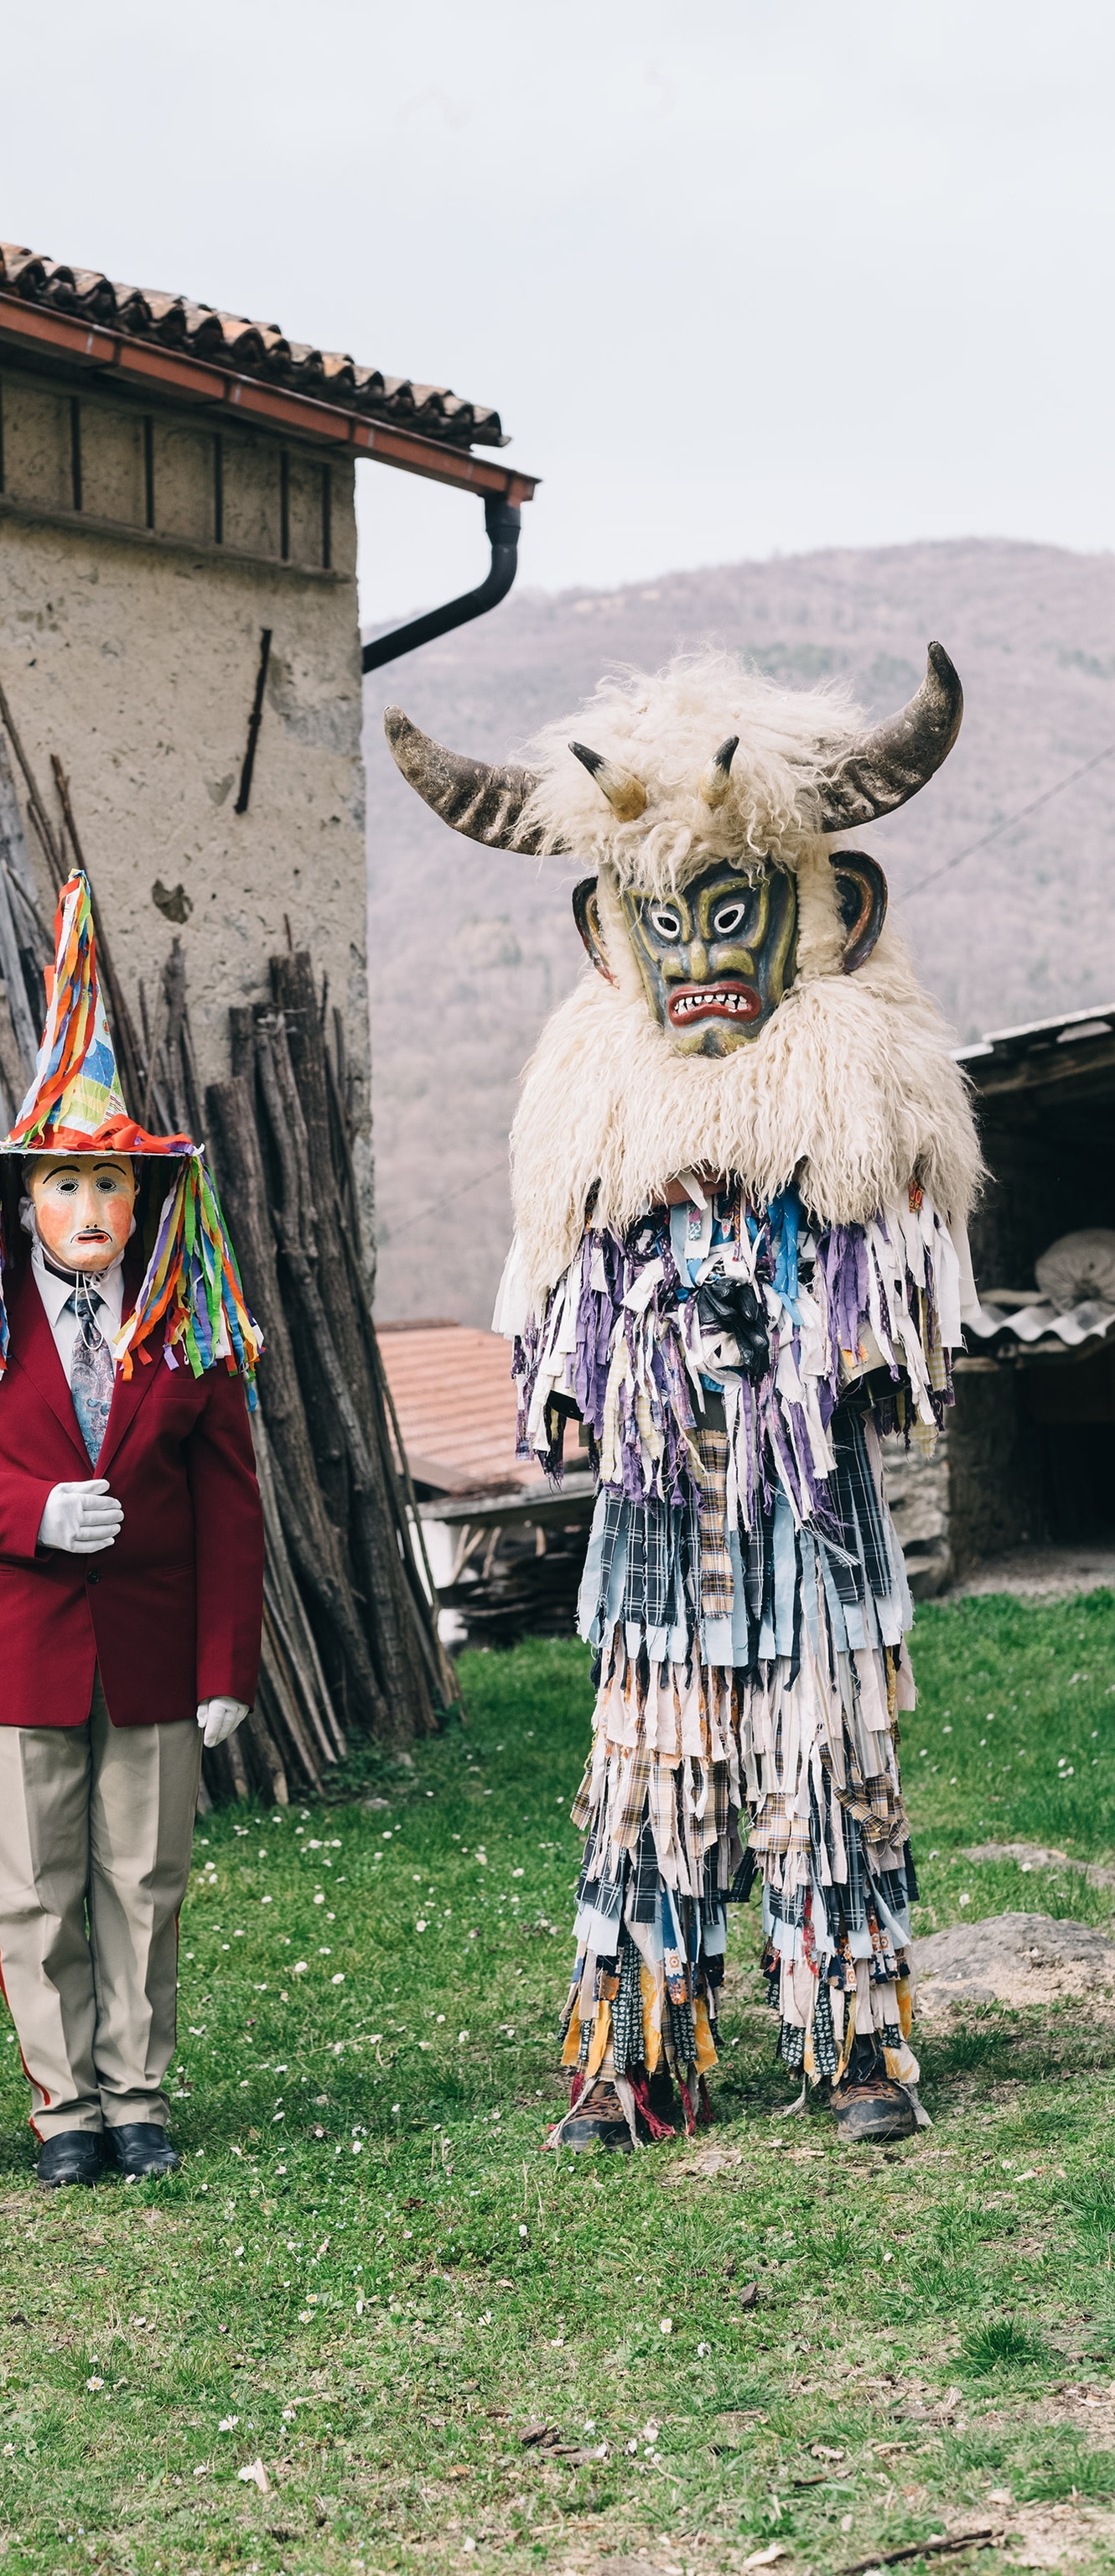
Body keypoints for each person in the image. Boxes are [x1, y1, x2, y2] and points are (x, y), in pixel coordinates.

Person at [386, 647, 981, 2148]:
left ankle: (854, 2051)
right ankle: (637, 2059)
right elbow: (565, 1323)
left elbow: (898, 1315)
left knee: (827, 1766)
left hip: (806, 1514)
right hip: (663, 1517)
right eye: (662, 921)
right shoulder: (594, 1138)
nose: (699, 954)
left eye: (729, 913)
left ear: (823, 912)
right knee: (650, 1775)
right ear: (609, 937)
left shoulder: (858, 1124)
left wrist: (812, 1340)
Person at [0, 873, 264, 2189]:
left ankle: (138, 2093)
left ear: (142, 1200)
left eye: (108, 1187)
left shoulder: (187, 1328)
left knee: (141, 1878)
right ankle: (63, 2107)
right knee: (36, 1887)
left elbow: (229, 1504)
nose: (88, 1213)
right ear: (22, 1201)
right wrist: (31, 1510)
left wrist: (222, 1667)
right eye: (62, 1189)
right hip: (17, 1645)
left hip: (152, 1650)